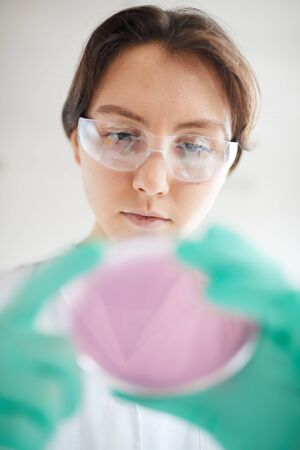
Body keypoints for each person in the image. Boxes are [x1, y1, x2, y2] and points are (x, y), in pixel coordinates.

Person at [1, 5, 299, 450]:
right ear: (77, 144)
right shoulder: (7, 317)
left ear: (227, 166)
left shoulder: (272, 349)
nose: (152, 182)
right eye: (122, 136)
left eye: (195, 145)